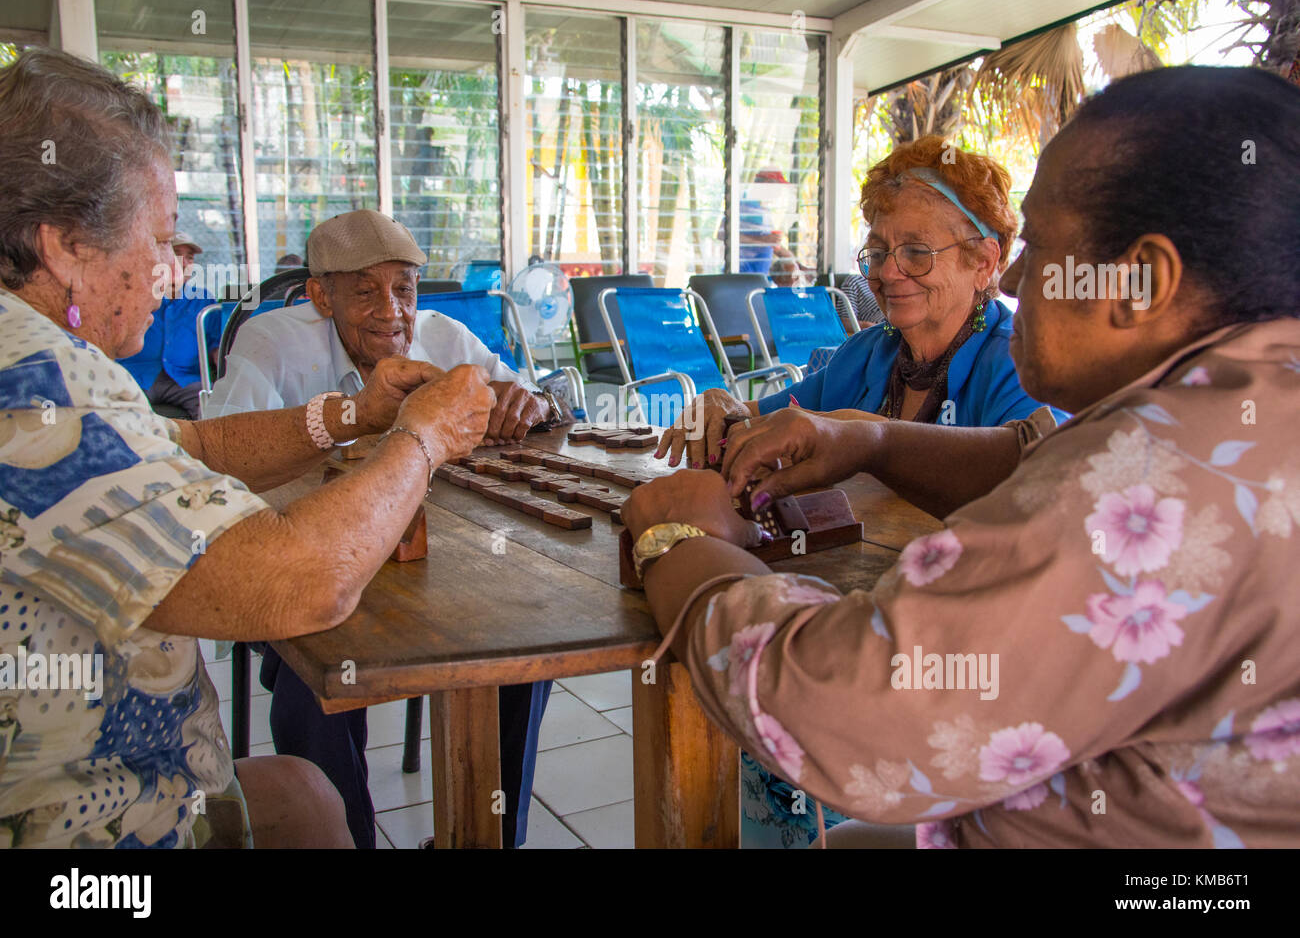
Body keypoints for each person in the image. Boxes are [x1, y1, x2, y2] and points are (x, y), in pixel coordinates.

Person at [622, 64, 1300, 848]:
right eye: (881, 250)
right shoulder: (1245, 410)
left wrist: (682, 544)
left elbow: (852, 716)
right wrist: (867, 435)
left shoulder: (1161, 475)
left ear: (1140, 279)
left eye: (1037, 246)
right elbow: (1033, 461)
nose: (1015, 274)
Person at [0, 48, 496, 848]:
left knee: (303, 795)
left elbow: (192, 440)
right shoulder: (35, 388)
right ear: (64, 247)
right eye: (159, 238)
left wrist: (356, 414)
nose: (170, 269)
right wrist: (422, 436)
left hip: (141, 779)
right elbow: (304, 584)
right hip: (87, 837)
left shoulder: (40, 356)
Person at [207, 209, 554, 849]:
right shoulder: (273, 344)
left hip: (427, 566)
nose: (392, 311)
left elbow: (535, 397)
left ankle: (494, 840)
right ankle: (352, 840)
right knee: (314, 671)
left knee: (521, 644)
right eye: (365, 290)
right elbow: (220, 466)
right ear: (319, 295)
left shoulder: (442, 337)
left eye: (405, 288)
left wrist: (529, 402)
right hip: (309, 557)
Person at [661, 136, 1064, 475]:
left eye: (916, 252)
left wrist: (868, 437)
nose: (888, 272)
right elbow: (758, 417)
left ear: (983, 262)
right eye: (878, 250)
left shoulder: (1023, 365)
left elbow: (1043, 486)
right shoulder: (870, 352)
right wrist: (719, 403)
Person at [116, 231, 215, 420]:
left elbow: (214, 346)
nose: (184, 263)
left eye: (189, 257)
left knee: (211, 411)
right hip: (138, 374)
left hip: (184, 378)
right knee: (122, 415)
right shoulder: (137, 294)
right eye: (177, 255)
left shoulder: (203, 299)